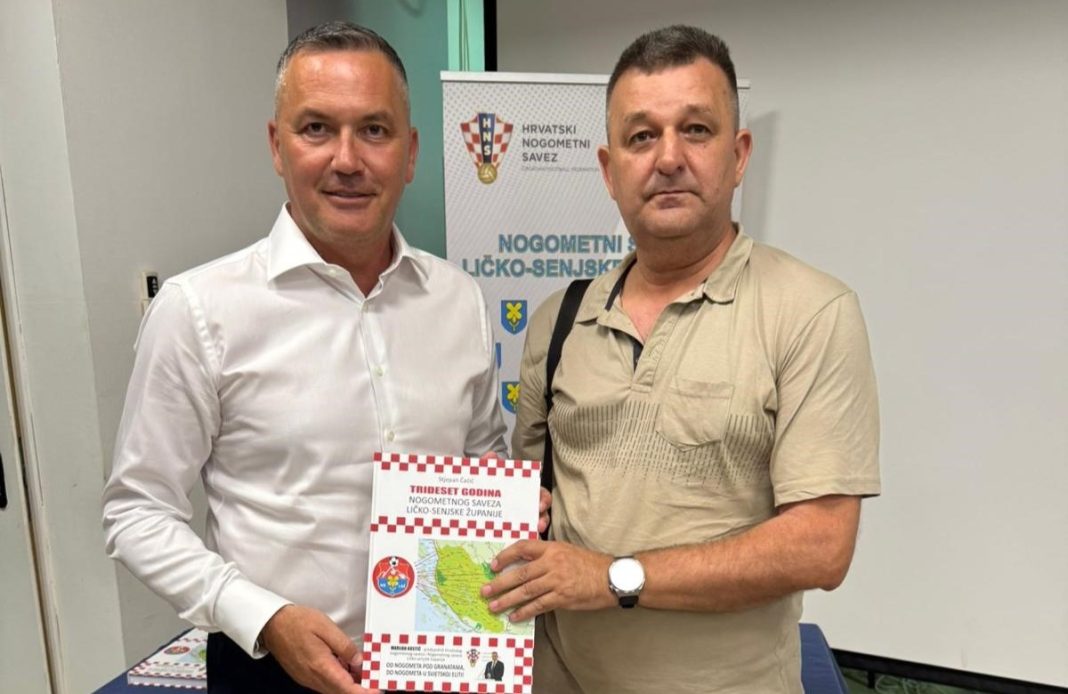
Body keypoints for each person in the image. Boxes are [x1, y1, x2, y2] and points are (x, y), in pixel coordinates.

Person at [103, 22, 513, 694]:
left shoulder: (458, 299)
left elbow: (481, 457)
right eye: (317, 128)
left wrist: (509, 508)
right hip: (271, 668)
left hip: (443, 657)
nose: (347, 160)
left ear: (410, 153)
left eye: (374, 130)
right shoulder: (198, 310)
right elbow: (137, 512)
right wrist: (264, 617)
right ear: (277, 145)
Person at [482, 25, 881, 693]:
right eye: (641, 136)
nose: (668, 157)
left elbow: (821, 545)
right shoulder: (558, 320)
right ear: (610, 171)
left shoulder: (811, 312)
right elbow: (532, 494)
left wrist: (613, 577)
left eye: (695, 130)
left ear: (738, 154)